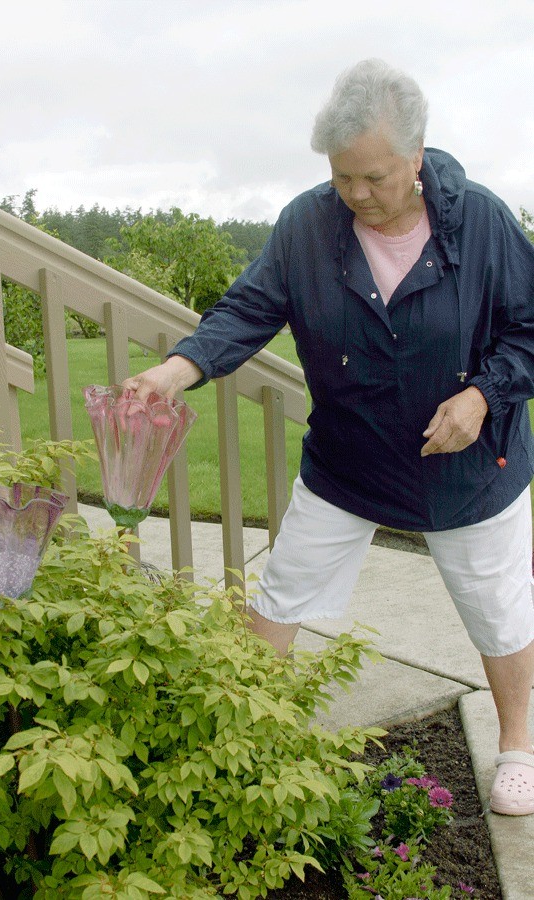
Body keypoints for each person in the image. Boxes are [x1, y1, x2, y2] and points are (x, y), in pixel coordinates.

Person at [123, 59, 534, 816]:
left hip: (470, 465)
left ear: (416, 158)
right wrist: (177, 371)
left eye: (373, 178)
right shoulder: (308, 224)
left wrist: (482, 395)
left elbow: (528, 332)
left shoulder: (482, 221)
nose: (355, 195)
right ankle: (246, 736)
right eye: (342, 177)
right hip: (347, 459)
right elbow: (246, 310)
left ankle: (519, 746)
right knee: (282, 594)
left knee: (499, 608)